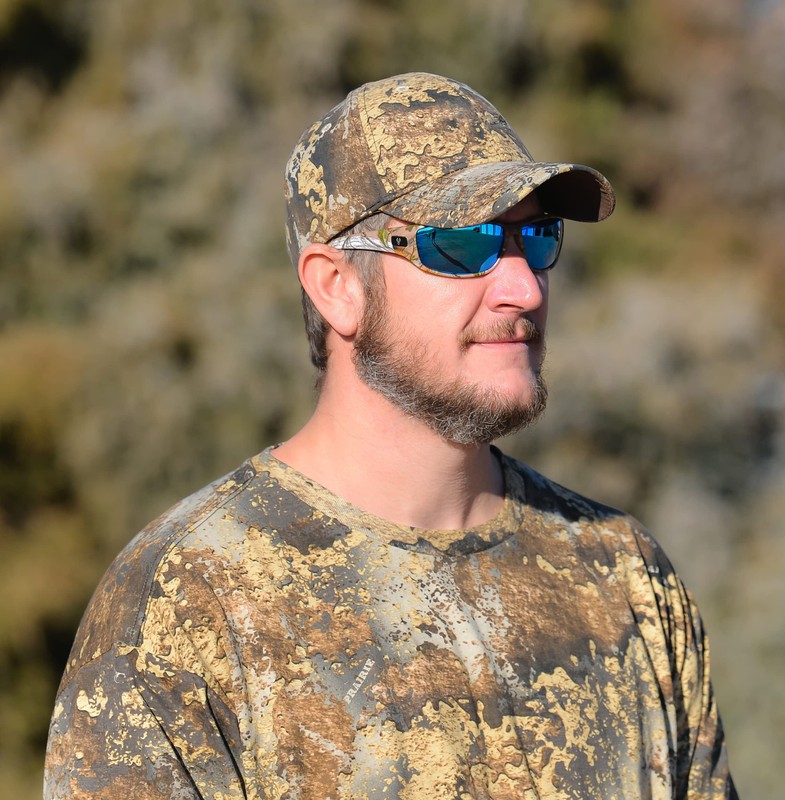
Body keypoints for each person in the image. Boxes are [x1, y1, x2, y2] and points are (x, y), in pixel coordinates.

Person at [44, 72, 737, 799]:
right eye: (462, 243)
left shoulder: (625, 577)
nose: (525, 288)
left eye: (535, 237)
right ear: (336, 286)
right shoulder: (189, 602)